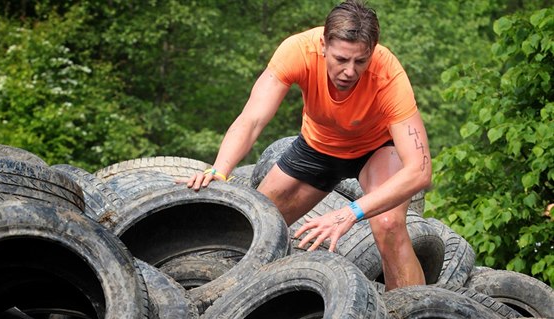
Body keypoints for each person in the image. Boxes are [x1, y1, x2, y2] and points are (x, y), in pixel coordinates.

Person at [182, 0, 431, 291]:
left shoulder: (388, 73)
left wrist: (349, 212)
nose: (350, 71)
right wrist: (220, 170)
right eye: (341, 59)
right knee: (255, 228)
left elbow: (419, 171)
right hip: (319, 145)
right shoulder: (297, 50)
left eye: (360, 61)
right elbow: (252, 118)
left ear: (372, 52)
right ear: (323, 45)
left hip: (375, 148)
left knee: (388, 223)